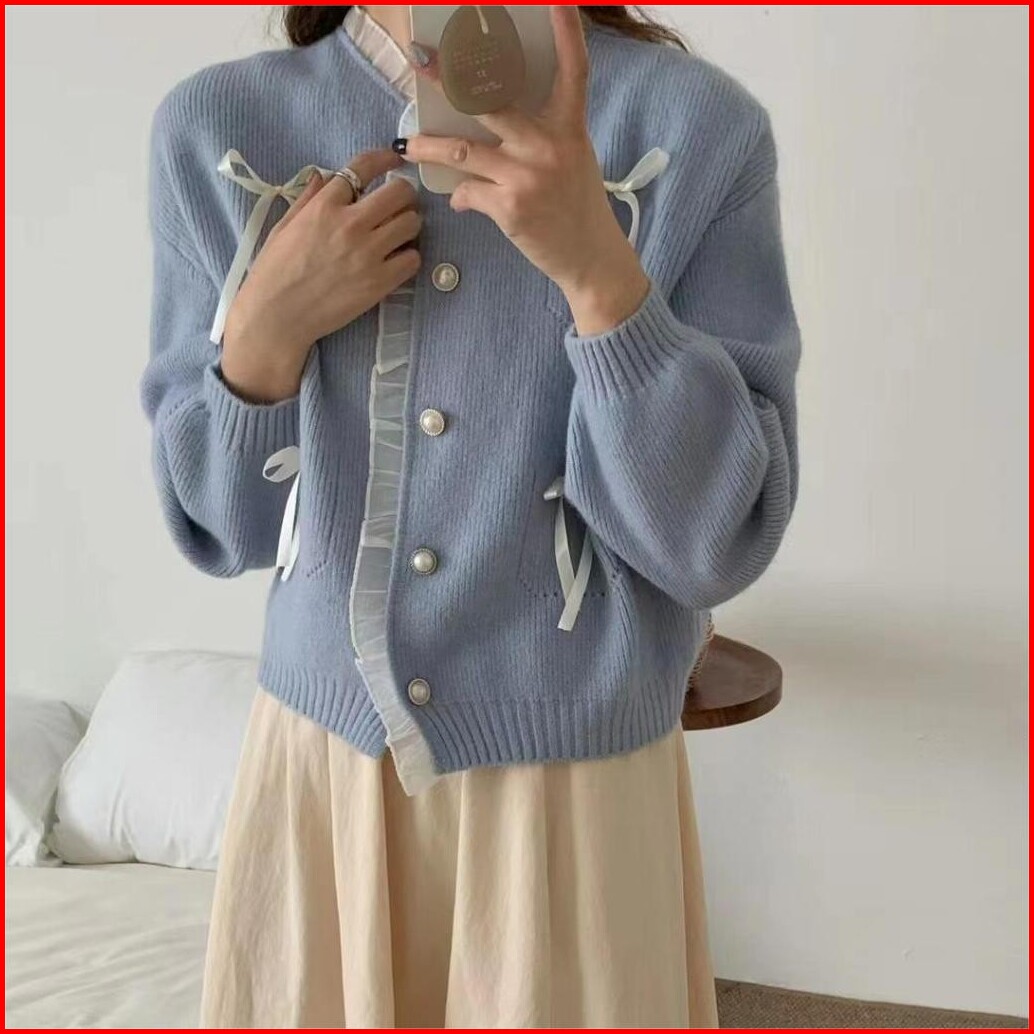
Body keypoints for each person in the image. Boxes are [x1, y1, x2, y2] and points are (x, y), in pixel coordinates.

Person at [140, 4, 801, 1028]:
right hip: (324, 786)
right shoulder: (218, 127)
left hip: (577, 798)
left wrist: (599, 273)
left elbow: (715, 540)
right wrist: (263, 339)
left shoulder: (695, 128)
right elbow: (216, 526)